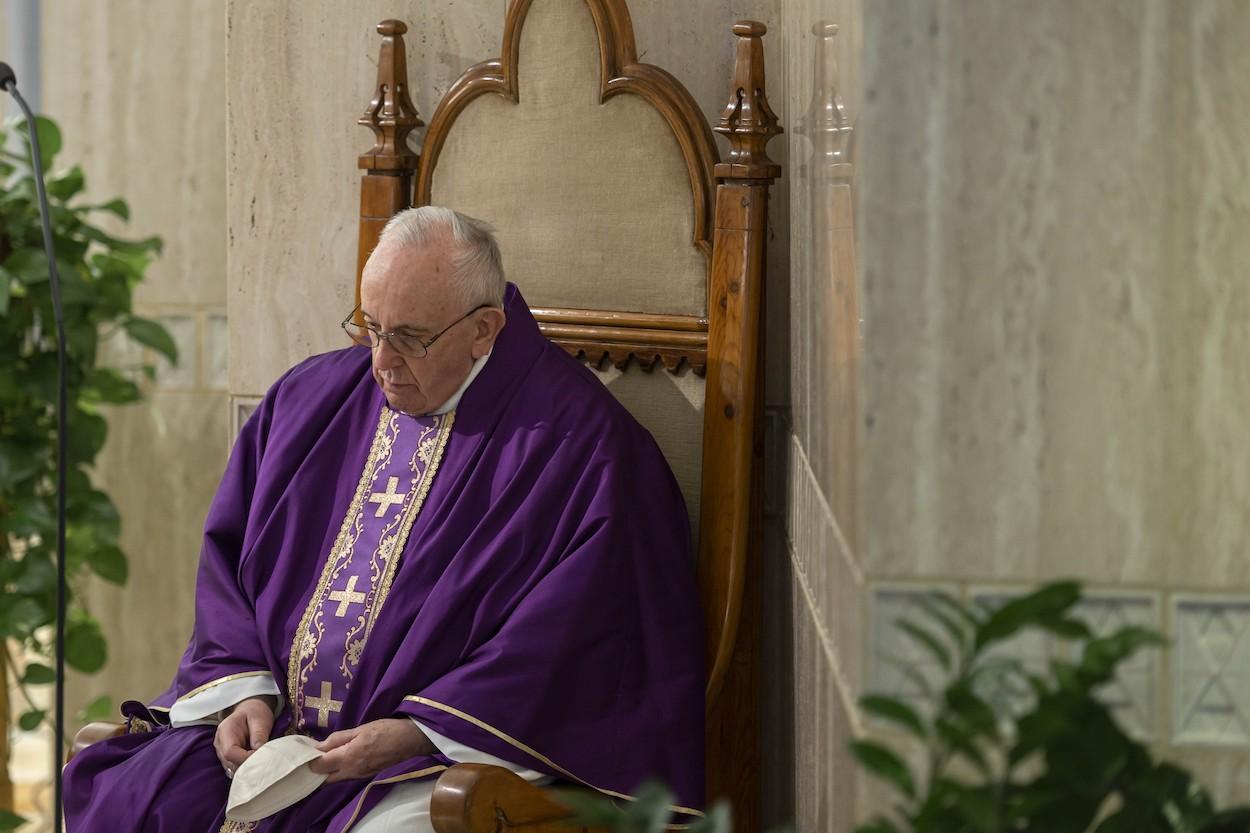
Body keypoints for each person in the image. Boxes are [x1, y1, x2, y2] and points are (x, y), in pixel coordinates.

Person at [63, 207, 706, 832]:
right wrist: (244, 693)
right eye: (371, 327)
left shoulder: (585, 453)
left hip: (435, 758)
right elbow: (229, 564)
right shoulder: (306, 403)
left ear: (484, 329)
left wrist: (410, 734)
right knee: (131, 795)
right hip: (273, 742)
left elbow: (576, 641)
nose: (381, 361)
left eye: (410, 337)